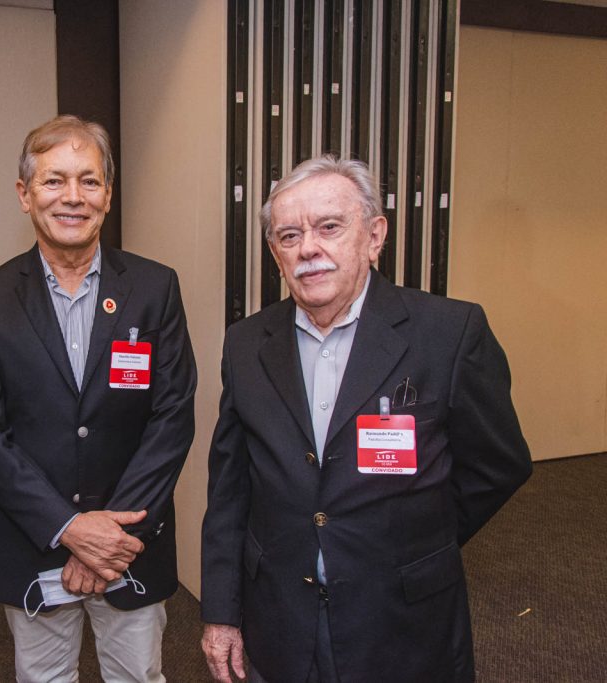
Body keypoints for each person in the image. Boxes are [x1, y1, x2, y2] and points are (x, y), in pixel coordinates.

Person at [200, 155, 532, 683]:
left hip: (402, 619)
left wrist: (414, 538)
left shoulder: (449, 333)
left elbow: (498, 465)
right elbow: (231, 490)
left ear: (375, 236)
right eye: (289, 236)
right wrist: (220, 611)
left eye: (330, 227)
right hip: (280, 617)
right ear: (275, 253)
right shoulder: (245, 344)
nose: (309, 248)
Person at [0, 115, 197, 682]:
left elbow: (172, 415)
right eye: (53, 180)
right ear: (24, 194)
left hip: (131, 546)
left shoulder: (154, 287)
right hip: (34, 543)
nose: (73, 197)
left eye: (89, 181)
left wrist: (110, 538)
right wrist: (69, 527)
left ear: (108, 196)